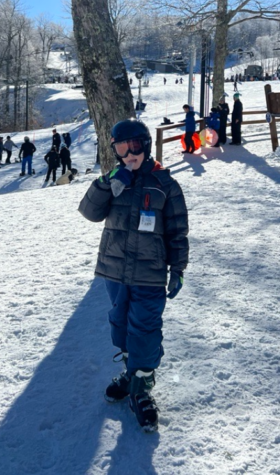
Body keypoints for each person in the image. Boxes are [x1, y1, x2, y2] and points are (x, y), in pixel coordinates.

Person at [78, 119, 189, 433]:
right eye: (122, 148)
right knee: (122, 324)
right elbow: (89, 211)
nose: (130, 154)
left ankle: (141, 388)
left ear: (146, 145)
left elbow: (178, 233)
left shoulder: (164, 184)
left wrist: (177, 269)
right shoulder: (115, 180)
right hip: (114, 271)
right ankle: (130, 374)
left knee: (145, 328)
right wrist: (108, 182)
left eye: (135, 146)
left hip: (150, 275)